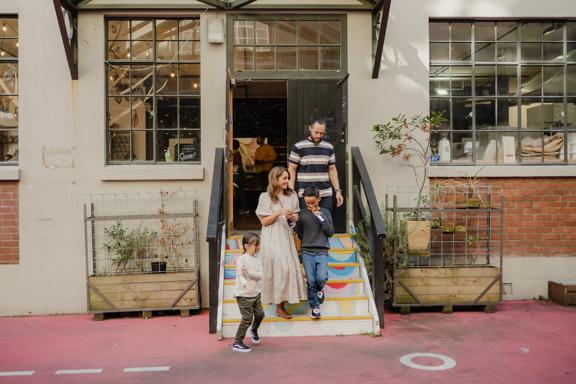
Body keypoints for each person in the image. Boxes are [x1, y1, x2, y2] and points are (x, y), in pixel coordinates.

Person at [255, 166, 307, 319]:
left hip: (285, 235)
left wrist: (294, 218)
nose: (287, 181)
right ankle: (277, 305)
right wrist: (278, 213)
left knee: (287, 268)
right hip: (271, 236)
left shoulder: (292, 196)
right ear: (275, 179)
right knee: (279, 268)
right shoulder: (265, 197)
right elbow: (264, 222)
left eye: (287, 178)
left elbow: (294, 218)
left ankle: (281, 305)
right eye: (284, 178)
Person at [288, 117, 344, 213]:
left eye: (321, 133)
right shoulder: (298, 147)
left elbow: (332, 169)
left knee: (325, 223)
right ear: (310, 128)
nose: (318, 135)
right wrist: (291, 191)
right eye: (316, 132)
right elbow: (291, 169)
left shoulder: (329, 148)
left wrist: (338, 191)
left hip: (325, 194)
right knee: (307, 225)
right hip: (306, 195)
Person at [295, 186, 334, 319]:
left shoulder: (325, 212)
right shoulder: (302, 214)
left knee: (321, 277)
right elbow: (298, 233)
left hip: (322, 250)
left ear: (319, 199)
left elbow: (330, 232)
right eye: (307, 203)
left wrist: (320, 217)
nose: (311, 205)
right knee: (311, 280)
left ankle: (319, 289)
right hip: (307, 251)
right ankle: (315, 307)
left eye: (313, 202)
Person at [232, 232, 265, 353]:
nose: (258, 247)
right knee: (247, 318)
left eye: (258, 244)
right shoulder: (241, 259)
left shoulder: (258, 259)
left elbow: (260, 275)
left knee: (260, 314)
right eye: (255, 244)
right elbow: (240, 275)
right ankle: (237, 342)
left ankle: (254, 329)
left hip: (256, 294)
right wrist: (245, 283)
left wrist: (250, 274)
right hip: (244, 295)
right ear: (247, 246)